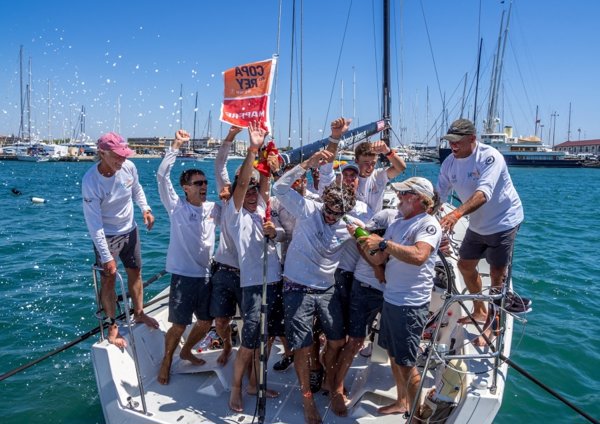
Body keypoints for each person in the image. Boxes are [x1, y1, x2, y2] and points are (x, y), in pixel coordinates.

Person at [273, 132, 356, 423]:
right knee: (303, 345)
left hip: (327, 289)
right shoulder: (308, 210)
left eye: (338, 213)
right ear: (324, 204)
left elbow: (373, 234)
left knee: (337, 340)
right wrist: (305, 164)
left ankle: (329, 378)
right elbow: (279, 188)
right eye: (329, 211)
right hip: (296, 286)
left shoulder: (349, 224)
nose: (332, 217)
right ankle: (307, 397)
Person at [436, 118, 524, 345]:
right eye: (450, 142)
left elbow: (483, 194)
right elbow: (439, 196)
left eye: (457, 142)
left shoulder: (490, 157)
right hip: (477, 223)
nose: (452, 146)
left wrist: (455, 215)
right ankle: (479, 310)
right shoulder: (449, 164)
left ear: (472, 139)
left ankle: (493, 326)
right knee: (465, 265)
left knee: (497, 275)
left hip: (504, 221)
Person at [361, 176, 441, 417]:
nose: (399, 197)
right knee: (394, 357)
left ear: (419, 199)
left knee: (407, 364)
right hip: (392, 300)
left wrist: (384, 244)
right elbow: (379, 260)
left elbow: (419, 256)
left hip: (410, 305)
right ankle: (402, 401)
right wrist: (363, 240)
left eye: (405, 194)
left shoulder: (428, 224)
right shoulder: (396, 224)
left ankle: (416, 417)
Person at [225, 121, 285, 412]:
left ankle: (255, 383)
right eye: (245, 188)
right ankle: (236, 390)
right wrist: (251, 149)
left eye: (253, 188)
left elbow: (263, 179)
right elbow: (246, 180)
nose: (251, 192)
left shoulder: (262, 205)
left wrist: (264, 145)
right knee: (248, 342)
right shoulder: (233, 213)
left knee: (267, 340)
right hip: (253, 286)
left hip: (274, 282)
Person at [82, 132, 159, 349]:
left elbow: (136, 188)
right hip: (106, 235)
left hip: (130, 230)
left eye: (124, 155)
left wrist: (145, 209)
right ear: (102, 153)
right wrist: (106, 257)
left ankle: (140, 313)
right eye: (117, 156)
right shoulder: (90, 181)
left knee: (136, 272)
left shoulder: (129, 167)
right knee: (109, 278)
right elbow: (93, 223)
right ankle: (112, 325)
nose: (122, 160)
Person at [156, 129, 219, 385]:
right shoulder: (177, 207)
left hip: (206, 276)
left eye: (205, 183)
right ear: (185, 188)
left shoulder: (214, 208)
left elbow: (238, 203)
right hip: (183, 276)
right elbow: (161, 177)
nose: (204, 186)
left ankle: (187, 350)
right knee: (179, 325)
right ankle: (167, 360)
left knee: (205, 322)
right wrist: (175, 147)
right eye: (198, 183)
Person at [351, 139, 406, 213]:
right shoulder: (348, 177)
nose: (370, 167)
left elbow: (401, 168)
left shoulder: (379, 176)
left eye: (373, 163)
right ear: (356, 161)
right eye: (366, 163)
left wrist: (387, 151)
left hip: (374, 222)